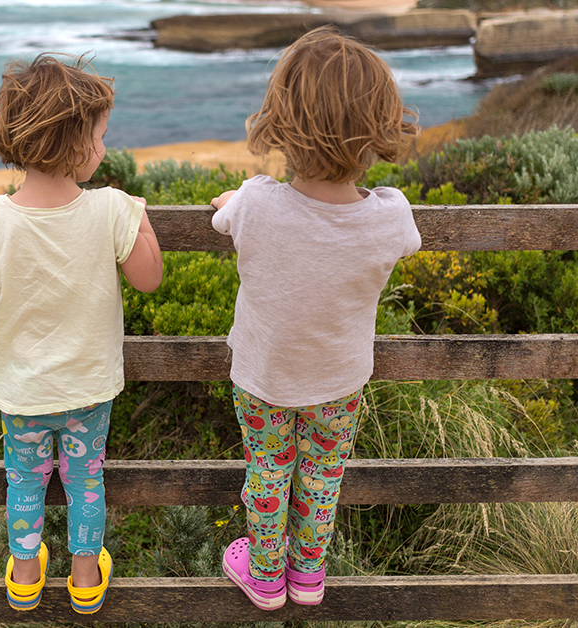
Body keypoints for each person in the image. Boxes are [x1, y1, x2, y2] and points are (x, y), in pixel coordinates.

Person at [0, 53, 163, 615]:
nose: (104, 147)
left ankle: (26, 577)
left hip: (19, 390)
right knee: (85, 478)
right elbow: (149, 279)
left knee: (24, 478)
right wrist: (138, 214)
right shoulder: (110, 210)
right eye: (100, 137)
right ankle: (84, 579)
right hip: (87, 386)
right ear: (75, 144)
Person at [209, 27, 421, 610]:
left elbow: (233, 215)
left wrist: (237, 199)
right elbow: (403, 235)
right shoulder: (391, 216)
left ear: (280, 125)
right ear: (378, 129)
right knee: (324, 476)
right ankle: (308, 576)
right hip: (339, 380)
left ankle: (265, 574)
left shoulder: (254, 203)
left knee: (269, 473)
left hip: (264, 378)